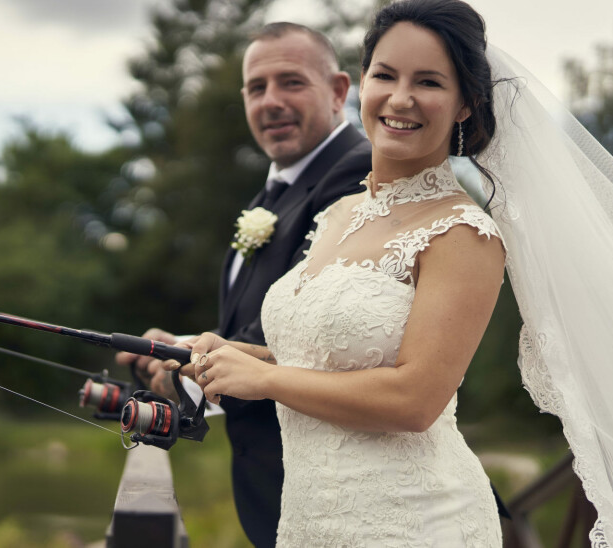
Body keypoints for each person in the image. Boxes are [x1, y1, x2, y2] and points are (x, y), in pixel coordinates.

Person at [175, 0, 613, 546]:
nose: (400, 99)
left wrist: (267, 382)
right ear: (362, 83)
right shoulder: (338, 213)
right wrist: (239, 355)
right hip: (307, 518)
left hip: (412, 523)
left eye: (428, 82)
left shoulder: (462, 232)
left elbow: (415, 398)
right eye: (386, 75)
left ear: (465, 105)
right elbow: (325, 361)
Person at [117, 23, 373, 547]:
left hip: (348, 493)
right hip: (279, 495)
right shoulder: (269, 194)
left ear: (339, 91)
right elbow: (259, 327)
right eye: (257, 88)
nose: (271, 101)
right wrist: (183, 349)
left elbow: (314, 319)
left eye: (291, 82)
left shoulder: (360, 172)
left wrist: (188, 375)